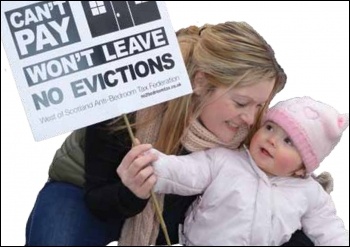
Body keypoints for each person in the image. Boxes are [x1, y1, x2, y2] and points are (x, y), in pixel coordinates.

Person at [26, 21, 314, 246]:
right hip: (87, 189)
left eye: (260, 106)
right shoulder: (127, 104)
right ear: (200, 83)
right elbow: (98, 201)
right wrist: (130, 192)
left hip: (178, 208)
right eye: (240, 103)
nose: (251, 119)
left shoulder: (254, 129)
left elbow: (278, 203)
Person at [140, 96, 349, 245]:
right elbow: (187, 172)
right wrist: (153, 163)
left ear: (302, 166)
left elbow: (329, 230)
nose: (272, 139)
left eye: (288, 141)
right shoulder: (225, 160)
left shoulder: (310, 193)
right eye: (269, 127)